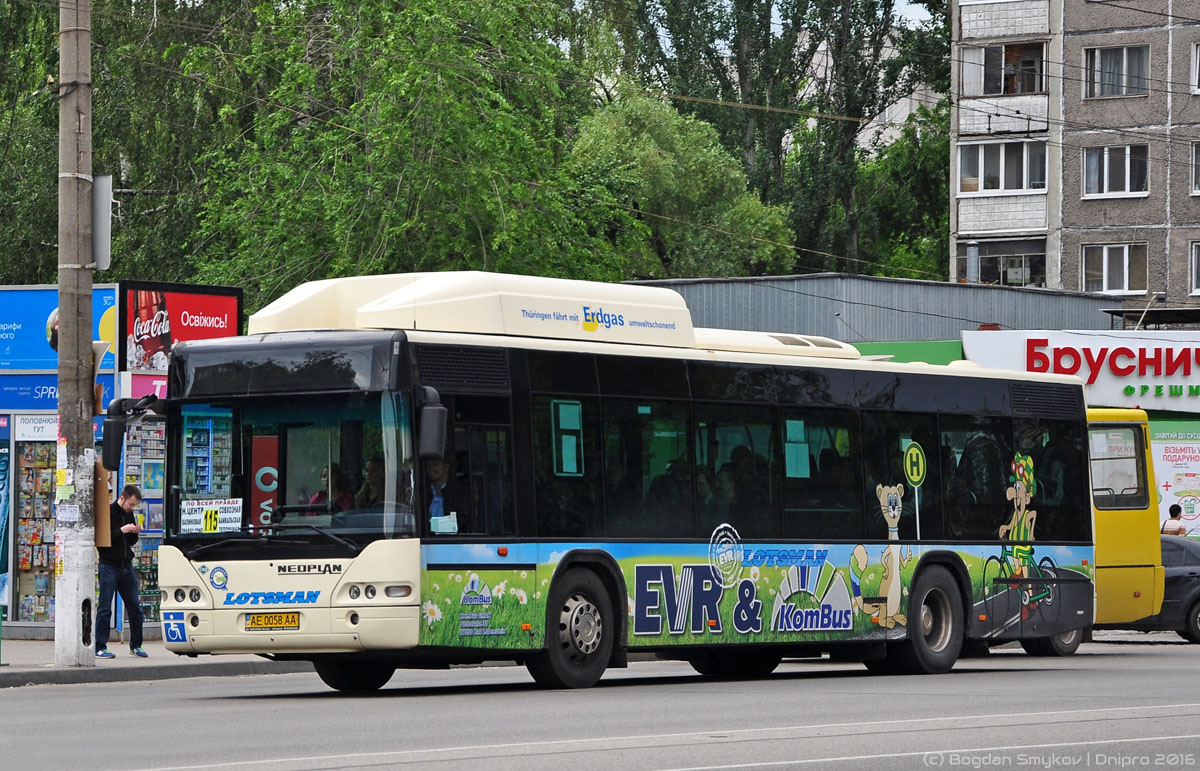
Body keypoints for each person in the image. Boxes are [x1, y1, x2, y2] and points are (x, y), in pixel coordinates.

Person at [95, 485, 147, 659]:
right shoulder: (108, 512)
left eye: (134, 506)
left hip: (126, 565)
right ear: (123, 498)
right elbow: (103, 540)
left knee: (135, 607)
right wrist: (122, 530)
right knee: (104, 608)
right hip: (109, 565)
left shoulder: (128, 513)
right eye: (131, 504)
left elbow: (130, 542)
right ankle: (100, 646)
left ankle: (136, 645)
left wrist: (134, 532)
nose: (132, 508)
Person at [426, 457, 459, 533]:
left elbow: (460, 521)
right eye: (428, 465)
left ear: (446, 467)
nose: (431, 469)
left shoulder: (458, 491)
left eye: (435, 464)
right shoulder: (424, 491)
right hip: (429, 538)